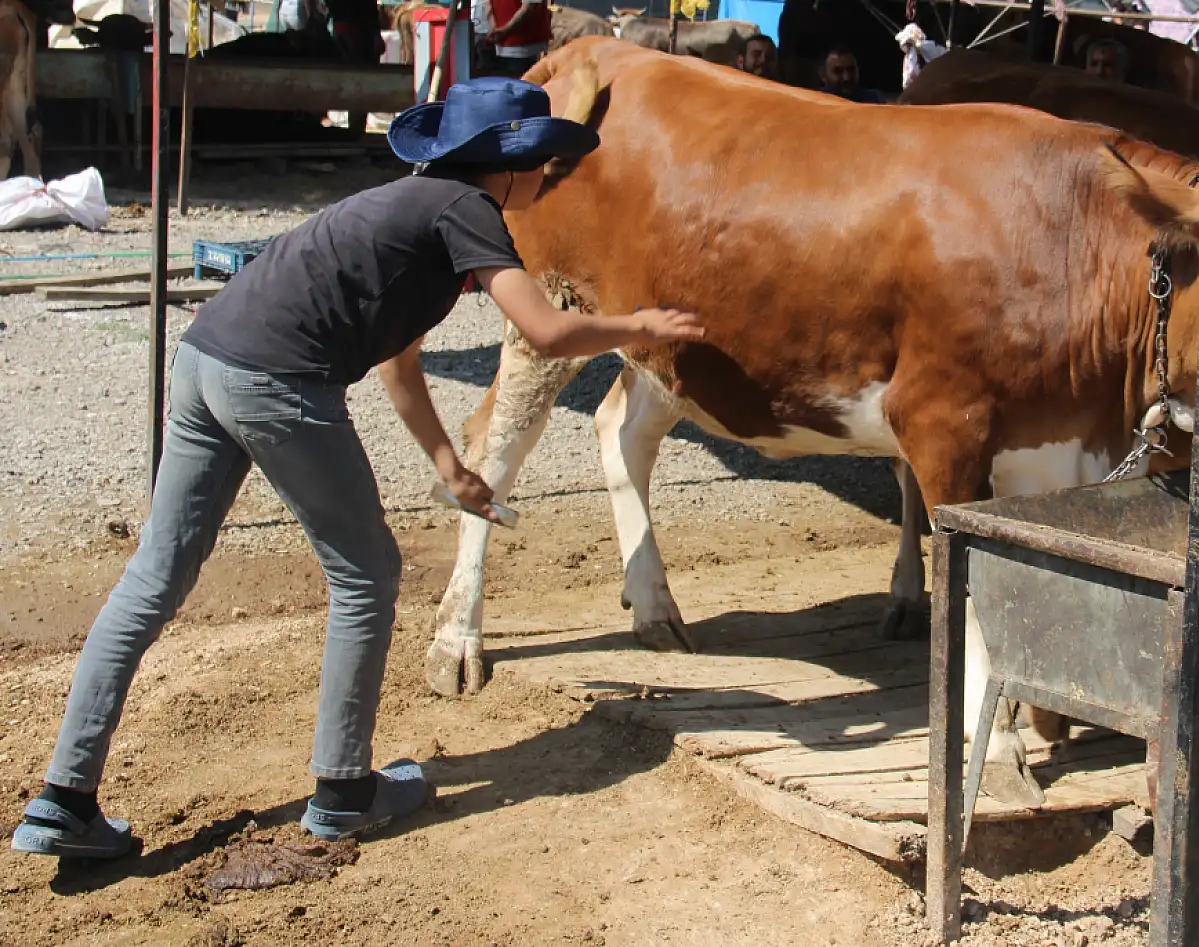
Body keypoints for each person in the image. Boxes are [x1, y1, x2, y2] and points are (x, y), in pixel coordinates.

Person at [9, 77, 703, 859]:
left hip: (206, 356)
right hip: (275, 379)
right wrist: (636, 323)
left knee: (154, 577)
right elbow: (543, 332)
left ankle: (63, 798)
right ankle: (343, 790)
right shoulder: (467, 211)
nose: (547, 176)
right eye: (539, 159)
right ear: (503, 165)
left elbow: (398, 365)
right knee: (367, 575)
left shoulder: (412, 212)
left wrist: (452, 463)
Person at [474, 0, 552, 78]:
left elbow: (530, 7)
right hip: (499, 43)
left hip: (525, 46)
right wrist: (494, 26)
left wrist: (504, 30)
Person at [818, 46, 888, 103]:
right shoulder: (814, 102)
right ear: (823, 74)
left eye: (851, 70)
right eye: (838, 71)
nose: (847, 77)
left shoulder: (873, 99)